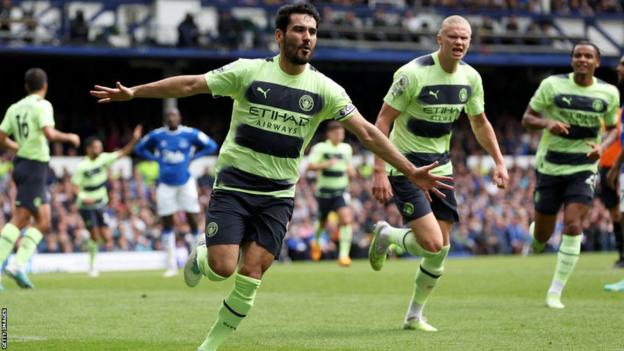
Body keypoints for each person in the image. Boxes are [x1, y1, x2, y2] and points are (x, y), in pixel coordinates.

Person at [90, 3, 451, 350]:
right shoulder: (248, 71)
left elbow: (368, 133)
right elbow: (190, 85)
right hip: (234, 186)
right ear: (279, 36)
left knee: (252, 273)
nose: (307, 37)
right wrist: (135, 92)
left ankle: (209, 345)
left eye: (312, 31)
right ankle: (200, 259)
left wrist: (408, 169)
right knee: (221, 268)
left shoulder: (325, 89)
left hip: (278, 196)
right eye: (298, 30)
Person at [368, 15, 509, 332]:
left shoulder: (471, 78)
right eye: (454, 37)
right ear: (439, 39)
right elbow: (382, 122)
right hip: (406, 165)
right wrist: (379, 169)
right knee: (432, 244)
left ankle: (413, 315)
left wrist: (499, 160)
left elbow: (479, 122)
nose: (460, 42)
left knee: (439, 249)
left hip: (441, 167)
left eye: (465, 38)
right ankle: (389, 236)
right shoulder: (412, 74)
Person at [522, 42, 619, 308]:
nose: (583, 59)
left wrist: (603, 146)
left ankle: (555, 291)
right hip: (550, 166)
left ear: (597, 62)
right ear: (572, 60)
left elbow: (612, 128)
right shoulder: (552, 85)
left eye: (589, 56)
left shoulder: (609, 93)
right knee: (542, 235)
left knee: (574, 224)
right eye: (578, 55)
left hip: (583, 167)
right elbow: (527, 119)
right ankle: (537, 236)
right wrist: (547, 123)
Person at [0, 68, 80, 291]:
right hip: (33, 166)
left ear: (26, 86)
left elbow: (1, 138)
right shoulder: (43, 105)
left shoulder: (14, 108)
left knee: (44, 221)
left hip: (30, 166)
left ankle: (17, 265)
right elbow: (49, 133)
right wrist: (70, 137)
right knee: (21, 218)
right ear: (44, 85)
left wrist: (19, 147)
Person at [134, 108, 218, 277]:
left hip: (186, 182)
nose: (171, 118)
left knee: (193, 220)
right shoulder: (157, 135)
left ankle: (196, 263)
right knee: (167, 223)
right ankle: (170, 265)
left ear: (180, 117)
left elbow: (212, 145)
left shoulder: (190, 133)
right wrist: (154, 159)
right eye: (168, 116)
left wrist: (194, 156)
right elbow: (139, 148)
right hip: (165, 185)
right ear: (165, 119)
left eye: (174, 115)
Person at [72, 125, 142, 277]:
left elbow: (123, 152)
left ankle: (88, 244)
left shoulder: (104, 158)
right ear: (89, 149)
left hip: (101, 203)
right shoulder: (82, 166)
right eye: (97, 147)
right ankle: (92, 266)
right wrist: (85, 198)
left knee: (107, 237)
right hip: (86, 205)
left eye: (100, 146)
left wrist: (134, 140)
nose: (100, 149)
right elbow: (74, 188)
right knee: (95, 236)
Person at [307, 121, 356, 266]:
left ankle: (343, 255)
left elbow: (348, 165)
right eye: (337, 132)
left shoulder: (347, 148)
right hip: (324, 192)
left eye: (342, 133)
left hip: (341, 191)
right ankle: (315, 243)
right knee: (322, 222)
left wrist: (351, 171)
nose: (340, 135)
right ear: (329, 134)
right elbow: (310, 166)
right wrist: (325, 164)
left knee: (346, 219)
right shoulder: (320, 148)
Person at [598, 54, 624, 268]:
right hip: (607, 167)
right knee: (616, 212)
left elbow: (617, 135)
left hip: (617, 166)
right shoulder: (597, 115)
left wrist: (616, 166)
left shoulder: (617, 113)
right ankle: (622, 254)